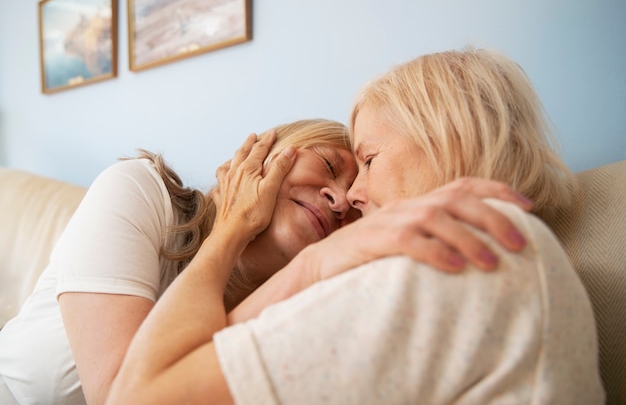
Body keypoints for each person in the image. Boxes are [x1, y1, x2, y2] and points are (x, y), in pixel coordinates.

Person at [105, 48, 605, 405]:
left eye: (368, 159)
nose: (351, 198)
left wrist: (312, 262)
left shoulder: (450, 264)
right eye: (337, 164)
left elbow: (139, 394)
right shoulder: (473, 254)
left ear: (446, 134)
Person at [0, 118, 527, 405]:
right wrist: (232, 228)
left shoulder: (296, 312)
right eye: (329, 165)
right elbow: (119, 395)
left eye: (354, 204)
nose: (340, 200)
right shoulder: (140, 190)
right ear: (268, 152)